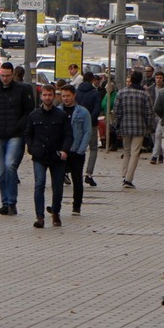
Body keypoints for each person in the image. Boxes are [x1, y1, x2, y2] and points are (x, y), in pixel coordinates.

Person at [0, 62, 35, 216]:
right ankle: (5, 202)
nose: (4, 79)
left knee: (10, 166)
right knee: (1, 172)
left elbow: (28, 111)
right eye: (2, 75)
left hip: (15, 135)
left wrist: (19, 126)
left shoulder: (21, 90)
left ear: (13, 75)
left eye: (7, 76)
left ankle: (12, 202)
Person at [25, 83, 73, 227]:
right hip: (39, 155)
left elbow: (69, 135)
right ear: (41, 96)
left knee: (57, 186)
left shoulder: (62, 115)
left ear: (54, 96)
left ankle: (56, 212)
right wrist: (32, 148)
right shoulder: (34, 115)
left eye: (50, 95)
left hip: (57, 156)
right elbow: (28, 134)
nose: (47, 98)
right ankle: (40, 216)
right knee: (39, 184)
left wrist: (65, 150)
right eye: (45, 95)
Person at [113, 71, 153, 188]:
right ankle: (128, 179)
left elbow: (116, 111)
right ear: (141, 80)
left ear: (130, 80)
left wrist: (118, 124)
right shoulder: (145, 94)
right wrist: (149, 126)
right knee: (135, 152)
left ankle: (124, 174)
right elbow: (149, 113)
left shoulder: (121, 93)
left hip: (125, 126)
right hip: (140, 127)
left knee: (126, 151)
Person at [59, 84, 91, 215]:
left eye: (68, 96)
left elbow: (87, 131)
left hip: (76, 150)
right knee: (58, 179)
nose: (65, 99)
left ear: (74, 95)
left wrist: (81, 150)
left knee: (77, 179)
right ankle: (56, 205)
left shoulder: (82, 112)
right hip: (62, 151)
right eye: (63, 96)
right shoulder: (58, 110)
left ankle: (76, 205)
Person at [74, 71, 102, 187]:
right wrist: (90, 119)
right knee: (93, 148)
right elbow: (97, 109)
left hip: (78, 124)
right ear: (92, 80)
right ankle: (89, 174)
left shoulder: (76, 92)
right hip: (92, 125)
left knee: (77, 147)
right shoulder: (95, 93)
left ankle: (71, 171)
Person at [149, 71, 164, 164]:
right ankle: (160, 154)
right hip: (152, 115)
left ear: (163, 79)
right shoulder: (150, 89)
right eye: (157, 78)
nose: (158, 80)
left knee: (158, 134)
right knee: (153, 136)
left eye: (160, 78)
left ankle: (154, 157)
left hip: (162, 116)